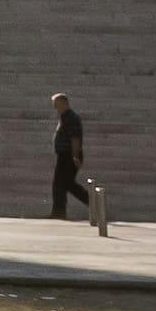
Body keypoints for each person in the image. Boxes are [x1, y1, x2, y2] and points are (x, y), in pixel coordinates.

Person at [47, 89, 105, 232]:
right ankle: (59, 211)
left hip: (69, 155)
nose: (55, 108)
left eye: (56, 105)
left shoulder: (71, 118)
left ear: (64, 103)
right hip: (64, 155)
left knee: (67, 183)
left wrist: (75, 156)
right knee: (60, 184)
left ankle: (94, 205)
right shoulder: (65, 117)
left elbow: (75, 139)